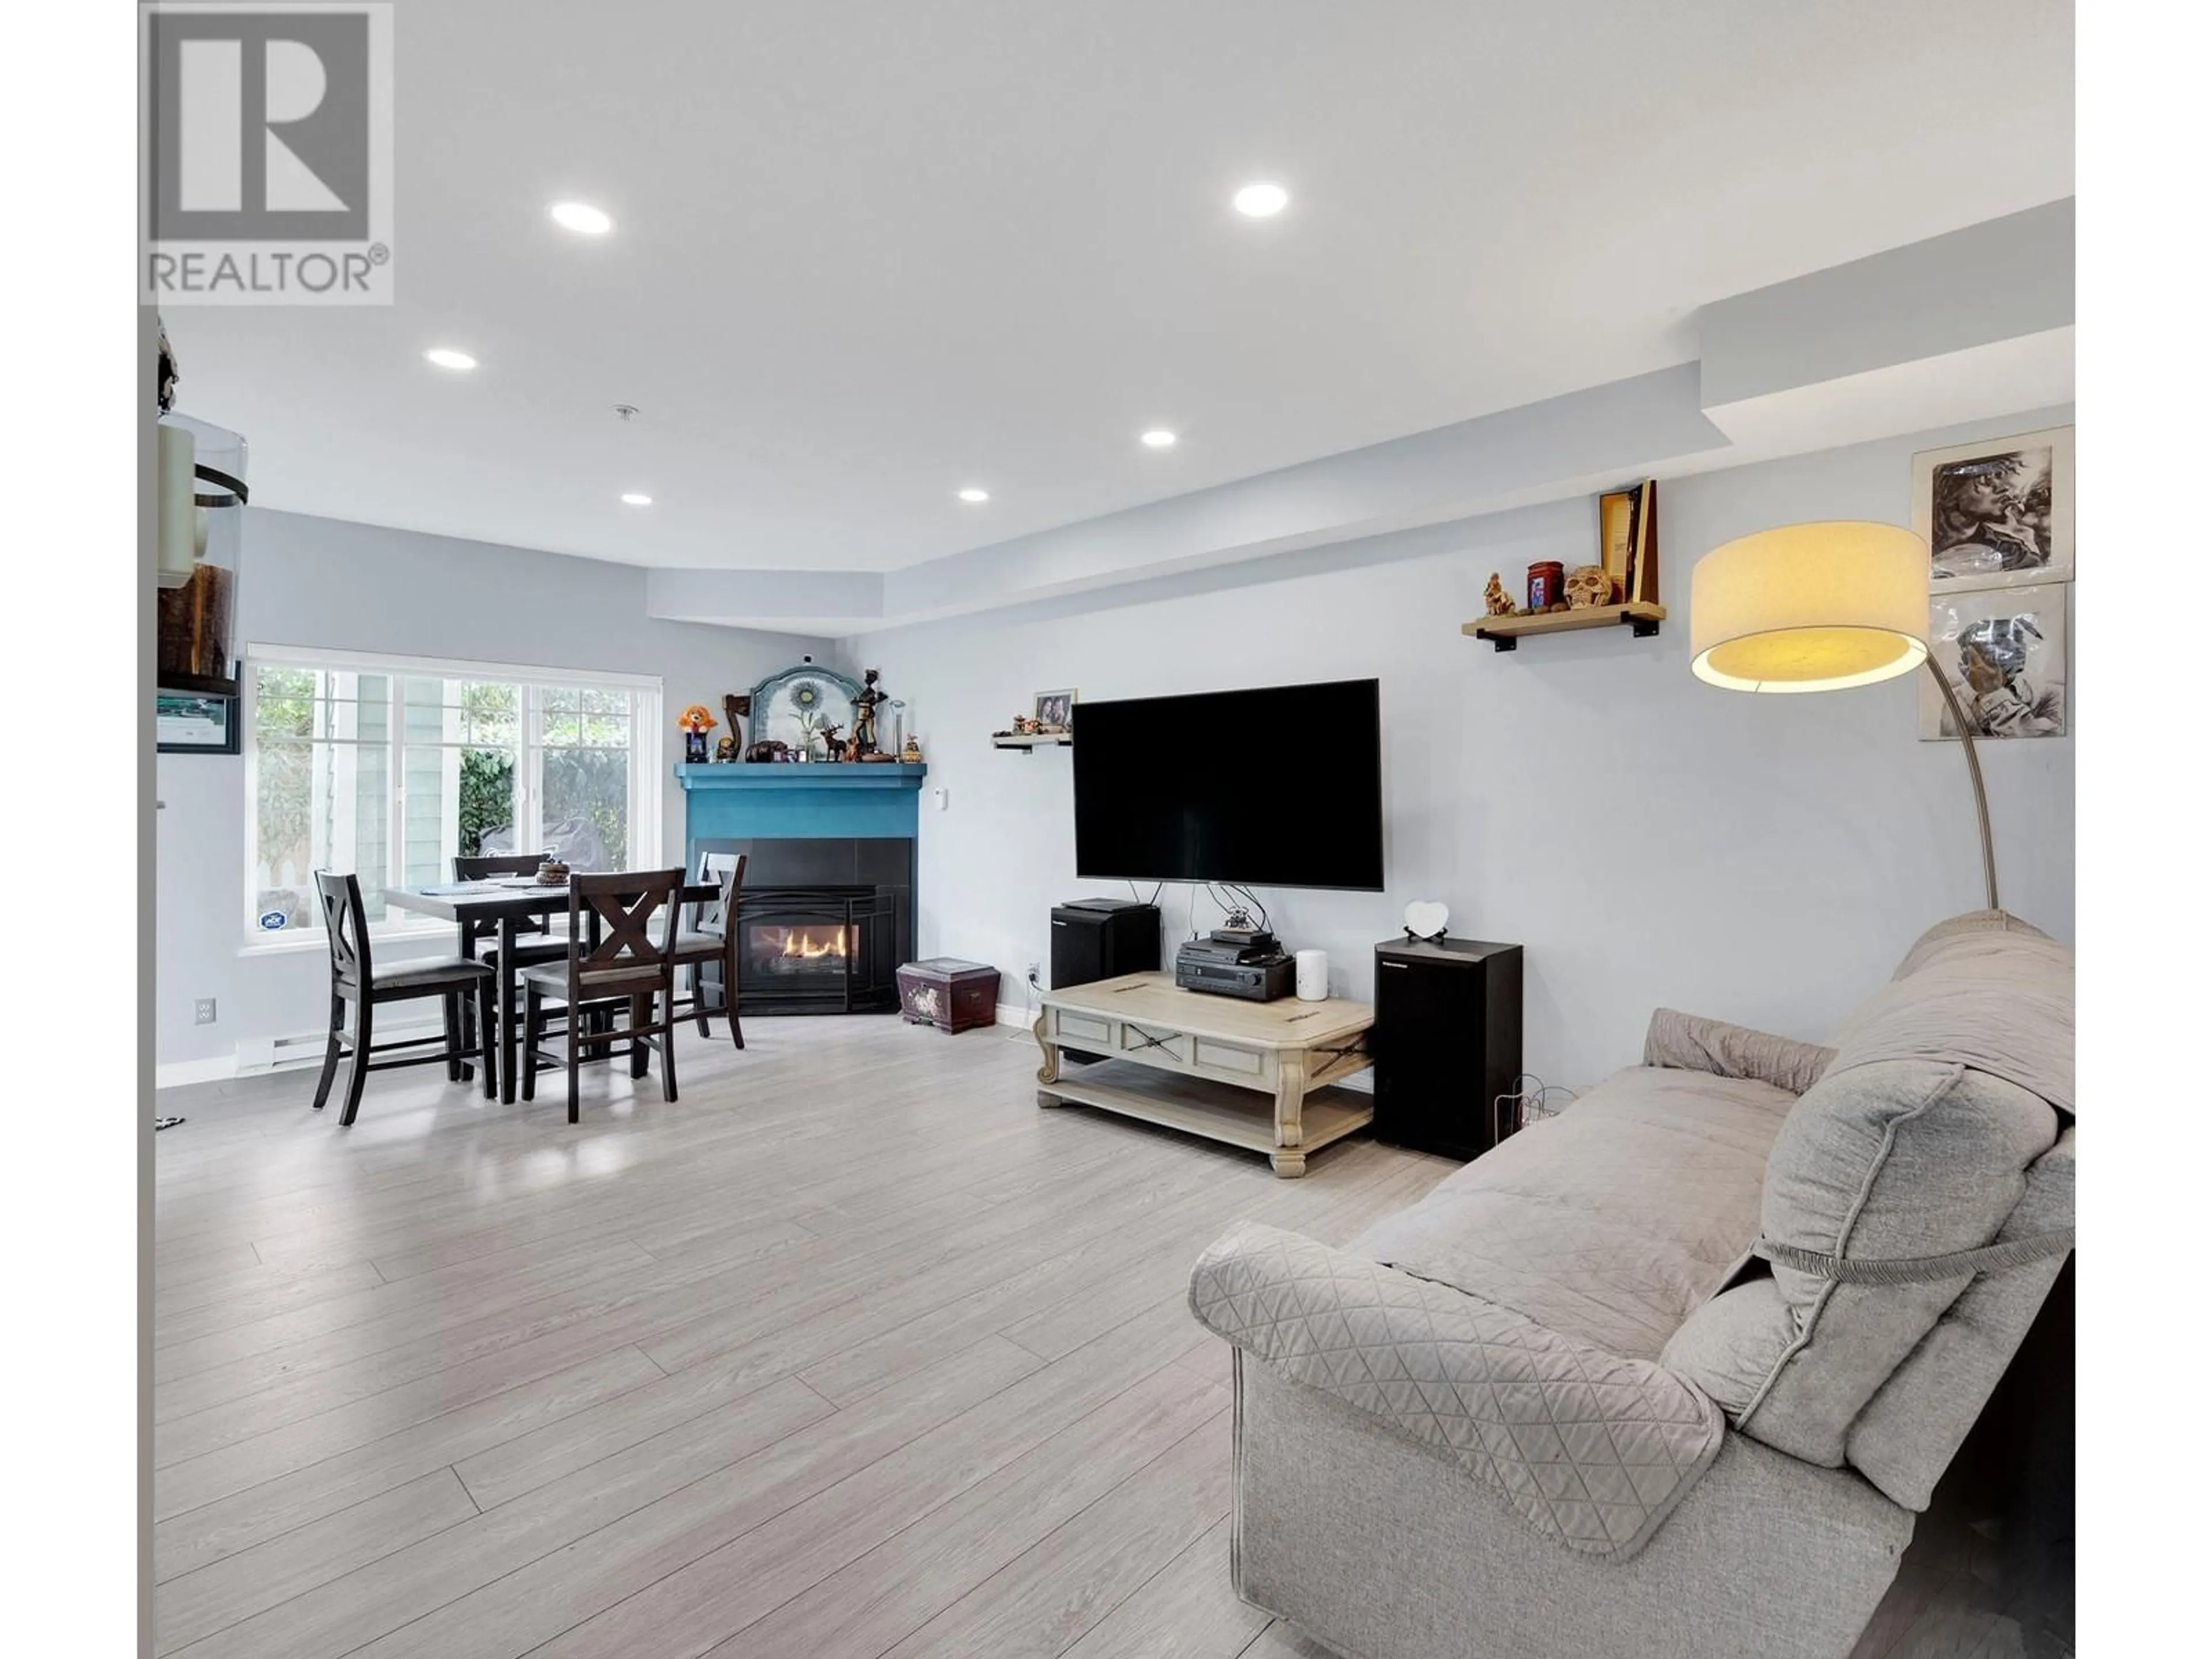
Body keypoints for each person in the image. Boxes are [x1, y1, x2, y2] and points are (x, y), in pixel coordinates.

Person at [1951, 615, 2064, 738]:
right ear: (1970, 657)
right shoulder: (1957, 699)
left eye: (2018, 639)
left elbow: (2049, 741)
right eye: (2000, 642)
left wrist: (1994, 693)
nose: (2018, 649)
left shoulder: (2052, 694)